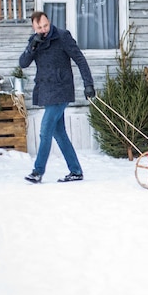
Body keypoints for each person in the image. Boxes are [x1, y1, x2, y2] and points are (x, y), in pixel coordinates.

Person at [19, 11, 95, 183]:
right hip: (46, 90)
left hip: (61, 88)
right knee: (59, 133)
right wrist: (32, 47)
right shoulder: (34, 41)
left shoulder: (62, 36)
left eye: (46, 25)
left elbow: (80, 60)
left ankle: (37, 171)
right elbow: (23, 63)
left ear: (49, 22)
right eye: (39, 27)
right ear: (34, 27)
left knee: (45, 130)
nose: (44, 29)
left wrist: (88, 84)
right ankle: (75, 171)